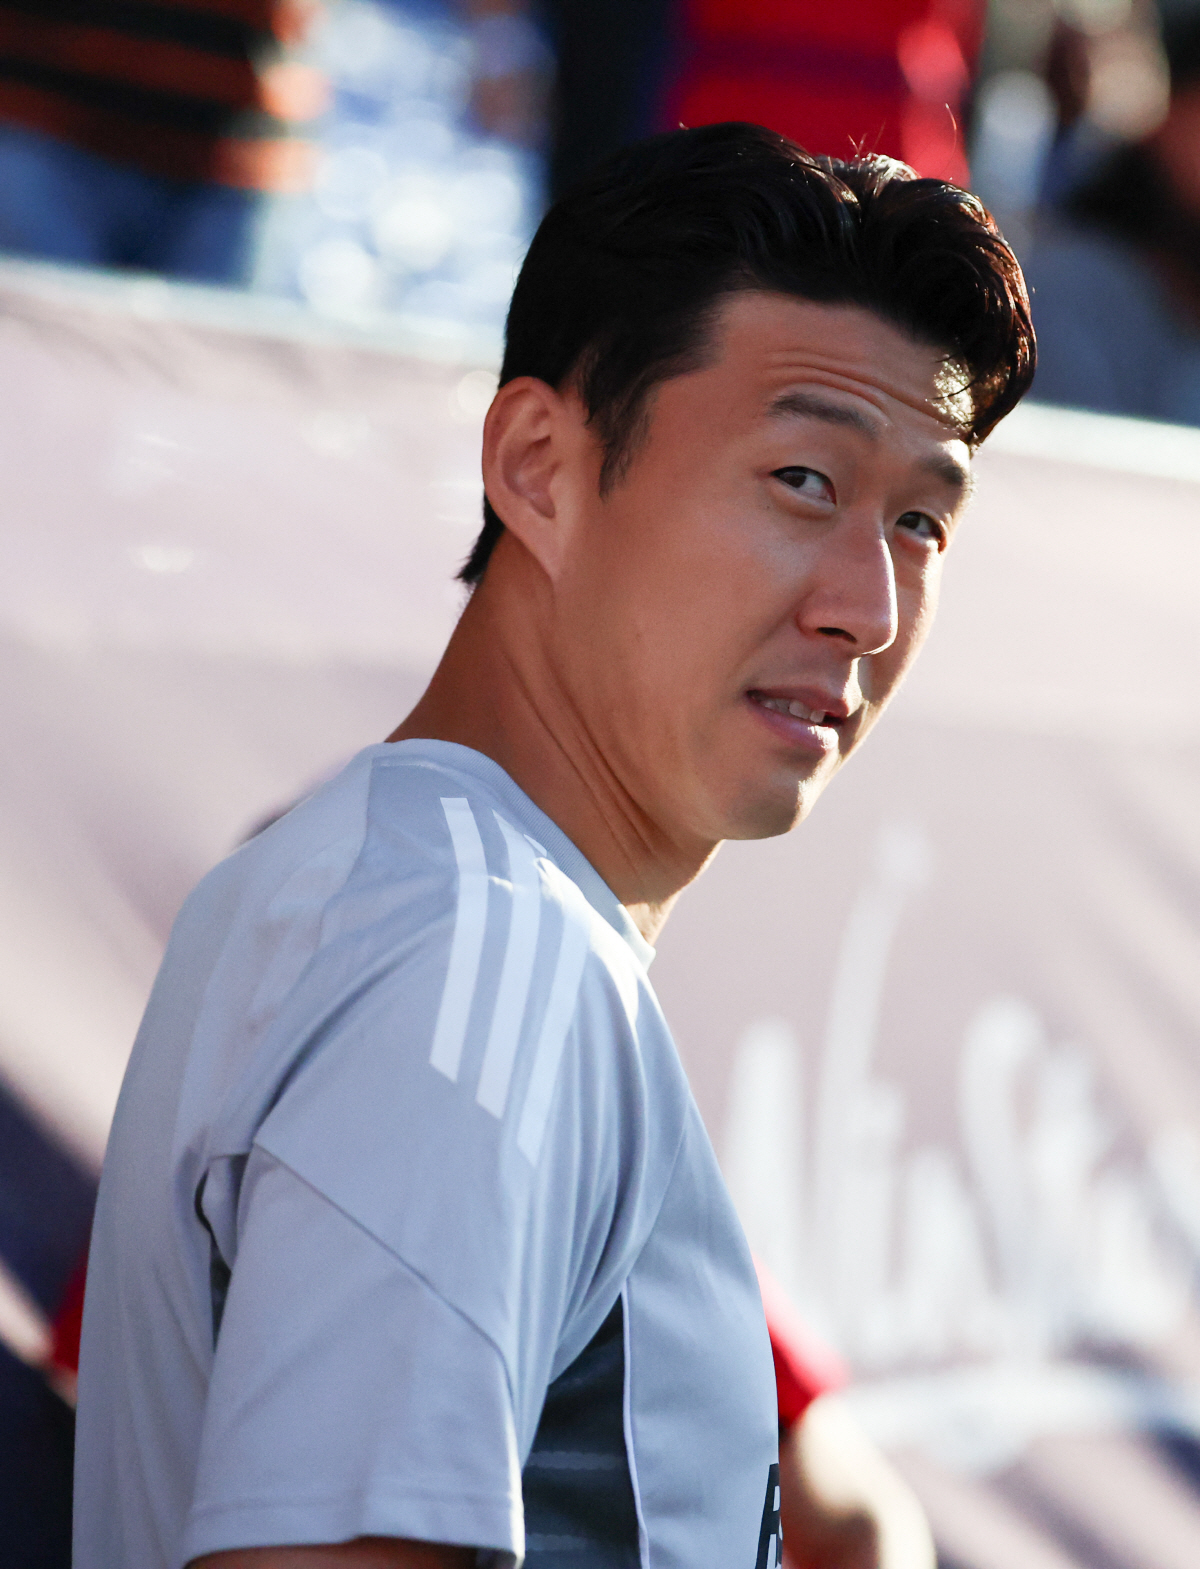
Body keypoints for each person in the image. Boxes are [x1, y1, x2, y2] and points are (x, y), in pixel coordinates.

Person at [74, 121, 1034, 1569]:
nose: (869, 606)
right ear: (538, 466)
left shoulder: (425, 902)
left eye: (921, 521)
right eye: (804, 481)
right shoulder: (476, 946)